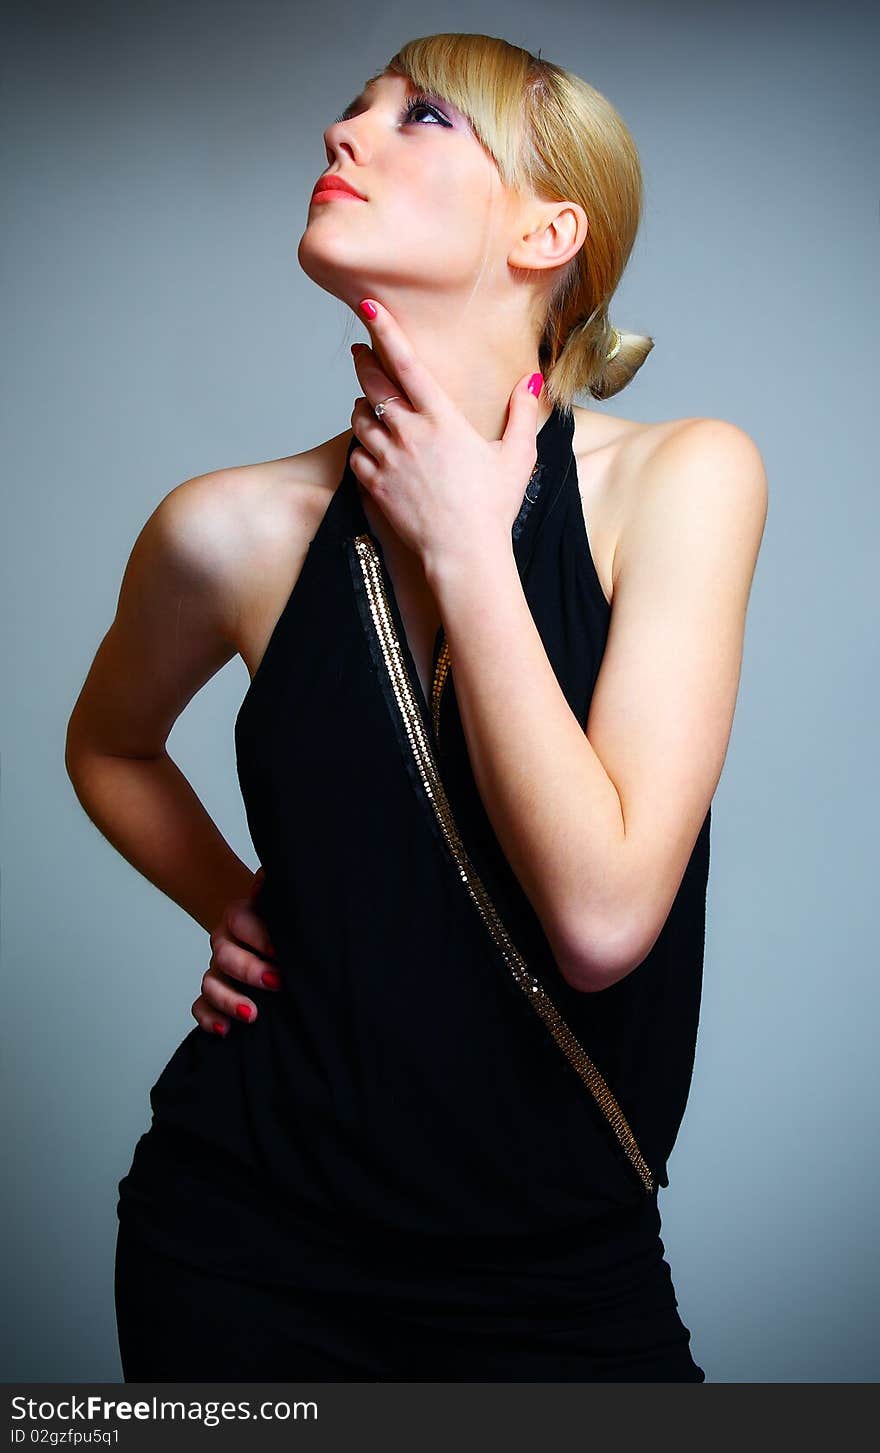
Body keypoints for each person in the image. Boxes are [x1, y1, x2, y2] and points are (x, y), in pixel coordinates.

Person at [66, 32, 767, 1382]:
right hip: (240, 1247)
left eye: (422, 117)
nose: (346, 135)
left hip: (562, 1272)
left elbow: (606, 916)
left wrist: (464, 545)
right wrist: (233, 901)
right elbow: (107, 745)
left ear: (548, 228)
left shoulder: (683, 481)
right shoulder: (229, 529)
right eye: (350, 110)